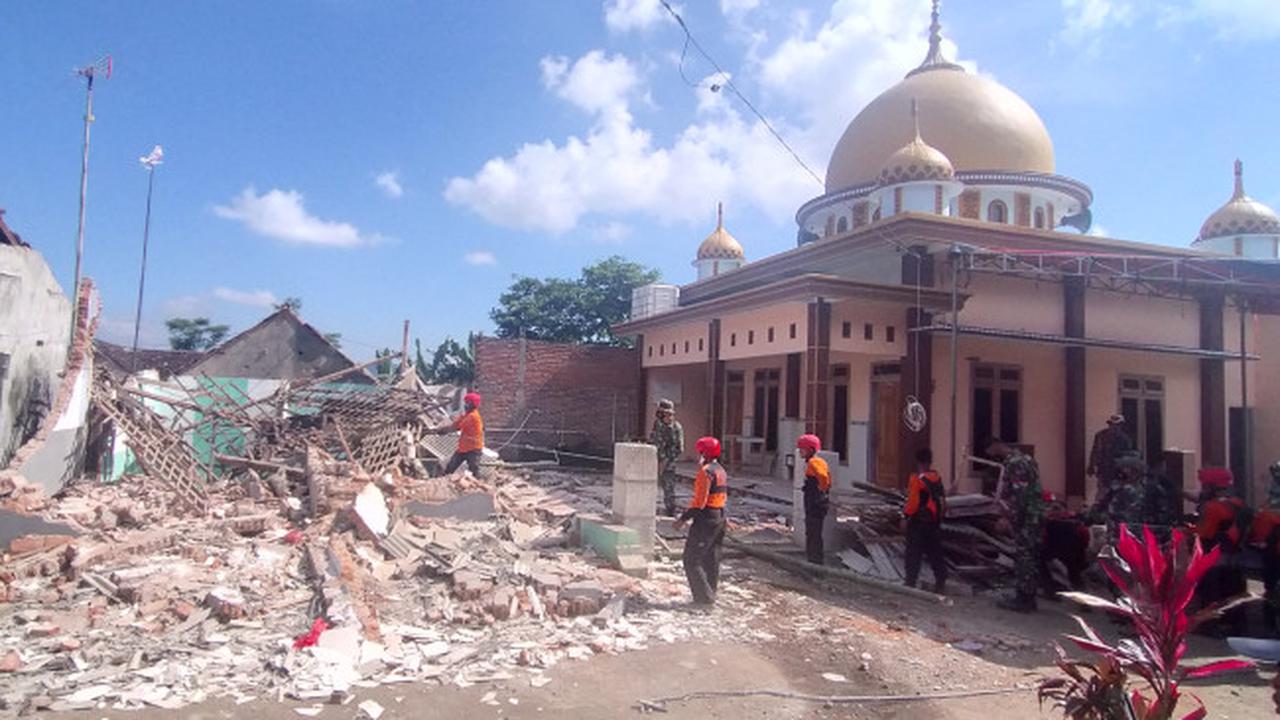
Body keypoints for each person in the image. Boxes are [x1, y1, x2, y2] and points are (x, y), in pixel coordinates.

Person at [988, 438, 1045, 613]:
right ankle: (1028, 595)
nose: (990, 455)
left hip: (1026, 517)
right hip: (1034, 514)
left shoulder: (1014, 463)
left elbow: (1019, 494)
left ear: (995, 446)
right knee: (1030, 555)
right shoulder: (1027, 459)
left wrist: (1008, 516)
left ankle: (1024, 599)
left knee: (1024, 557)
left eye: (989, 450)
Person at [1193, 467, 1249, 633]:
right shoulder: (1238, 503)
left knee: (1212, 591)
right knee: (1233, 590)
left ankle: (1210, 626)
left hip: (1215, 556)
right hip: (1236, 556)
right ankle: (1236, 625)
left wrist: (1189, 531)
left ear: (1211, 486)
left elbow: (1205, 533)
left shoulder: (1212, 507)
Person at [673, 437, 728, 606]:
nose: (699, 455)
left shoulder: (706, 472)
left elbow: (700, 502)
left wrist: (683, 519)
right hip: (719, 517)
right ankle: (710, 594)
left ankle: (704, 600)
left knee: (691, 560)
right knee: (712, 559)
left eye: (700, 452)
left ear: (705, 453)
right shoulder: (720, 470)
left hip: (706, 519)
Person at [902, 447, 947, 594]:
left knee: (913, 553)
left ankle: (910, 582)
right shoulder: (937, 478)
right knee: (935, 553)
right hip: (934, 521)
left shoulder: (918, 480)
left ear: (918, 462)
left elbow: (913, 503)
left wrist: (905, 517)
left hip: (918, 522)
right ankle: (940, 581)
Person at [429, 391, 485, 478]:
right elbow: (455, 424)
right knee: (450, 467)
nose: (465, 405)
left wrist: (442, 431)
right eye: (466, 402)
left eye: (468, 403)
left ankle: (479, 486)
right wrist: (440, 429)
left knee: (474, 470)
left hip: (474, 448)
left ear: (474, 404)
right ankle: (444, 484)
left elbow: (457, 427)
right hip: (463, 448)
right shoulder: (466, 415)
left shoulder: (473, 416)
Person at [796, 434, 830, 565]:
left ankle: (815, 564)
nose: (800, 451)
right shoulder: (812, 462)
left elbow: (823, 478)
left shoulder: (814, 462)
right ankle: (813, 562)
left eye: (802, 449)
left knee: (814, 535)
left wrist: (821, 492)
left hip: (816, 505)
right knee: (811, 533)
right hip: (814, 504)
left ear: (810, 449)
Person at [648, 399, 685, 516]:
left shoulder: (675, 427)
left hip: (668, 463)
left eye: (667, 413)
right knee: (648, 486)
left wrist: (665, 460)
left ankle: (670, 511)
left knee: (668, 488)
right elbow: (655, 441)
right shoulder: (658, 424)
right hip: (654, 460)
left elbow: (679, 448)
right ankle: (647, 510)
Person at [1087, 414, 1133, 506]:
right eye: (1112, 424)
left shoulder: (1125, 440)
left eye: (1117, 425)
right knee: (1102, 494)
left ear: (1121, 426)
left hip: (1118, 473)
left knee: (1117, 496)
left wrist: (1127, 473)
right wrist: (1091, 465)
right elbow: (1095, 451)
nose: (1114, 427)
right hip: (1103, 470)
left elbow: (1127, 457)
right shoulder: (1100, 436)